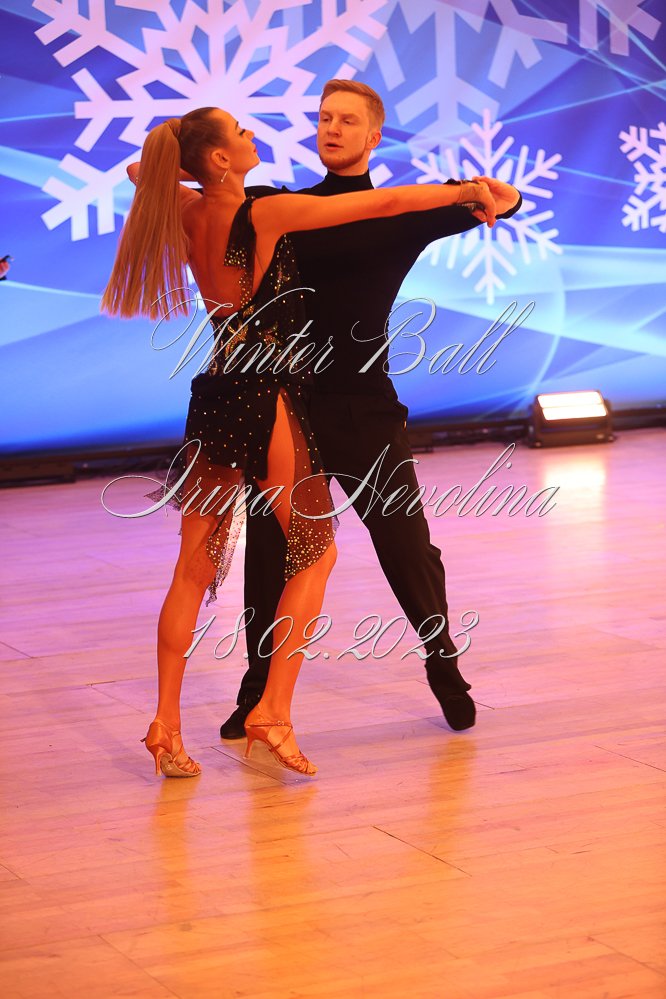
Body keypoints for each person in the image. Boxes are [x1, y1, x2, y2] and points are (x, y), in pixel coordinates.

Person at [101, 106, 499, 778]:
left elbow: (147, 168)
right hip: (267, 395)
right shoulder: (264, 214)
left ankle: (165, 724)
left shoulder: (188, 210)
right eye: (240, 133)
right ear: (219, 159)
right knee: (315, 550)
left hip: (213, 392)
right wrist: (461, 191)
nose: (253, 135)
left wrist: (185, 165)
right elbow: (387, 202)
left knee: (191, 567)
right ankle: (273, 712)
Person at [219, 80, 522, 740]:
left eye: (347, 120)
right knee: (269, 552)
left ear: (373, 136)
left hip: (363, 406)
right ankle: (255, 691)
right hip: (285, 408)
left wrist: (488, 191)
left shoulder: (401, 212)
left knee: (406, 545)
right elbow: (200, 194)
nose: (332, 128)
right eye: (325, 117)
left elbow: (503, 200)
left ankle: (445, 667)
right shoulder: (282, 207)